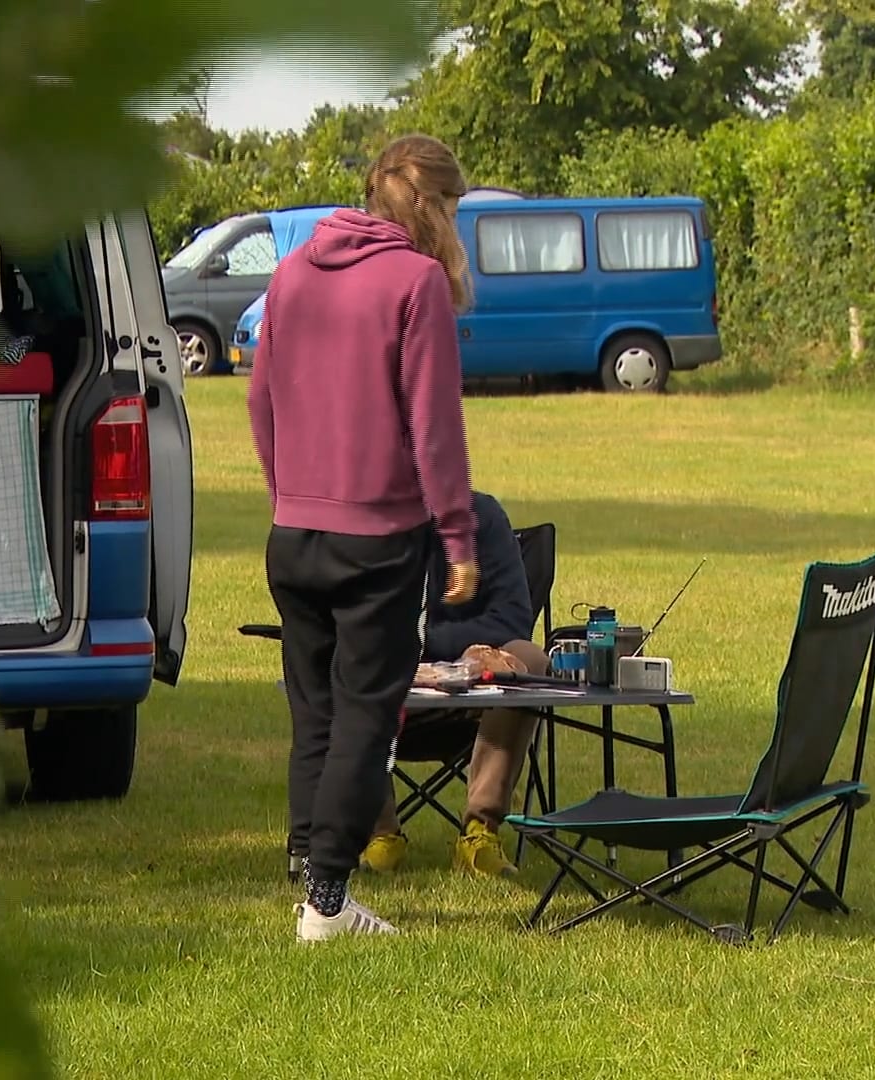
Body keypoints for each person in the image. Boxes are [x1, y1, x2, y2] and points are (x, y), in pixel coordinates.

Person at [248, 133, 480, 942]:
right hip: (378, 539)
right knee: (364, 718)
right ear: (439, 206)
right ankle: (327, 901)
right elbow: (435, 429)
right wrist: (459, 535)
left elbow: (260, 404)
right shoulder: (416, 283)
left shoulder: (291, 272)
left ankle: (310, 870)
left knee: (314, 714)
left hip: (295, 533)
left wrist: (291, 496)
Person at [360, 489, 546, 879]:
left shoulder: (483, 517)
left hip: (474, 694)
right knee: (345, 660)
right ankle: (379, 833)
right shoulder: (365, 520)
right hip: (388, 697)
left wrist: (445, 655)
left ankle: (481, 830)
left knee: (531, 658)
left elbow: (513, 620)